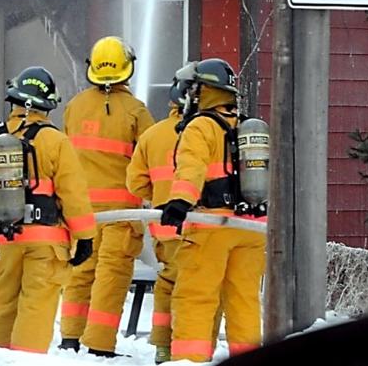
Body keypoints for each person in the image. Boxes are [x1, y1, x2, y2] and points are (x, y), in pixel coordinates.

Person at [0, 66, 96, 353]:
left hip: (3, 240)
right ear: (48, 104)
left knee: (2, 302)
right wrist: (85, 237)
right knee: (36, 306)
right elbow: (73, 195)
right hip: (45, 243)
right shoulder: (55, 141)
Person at [162, 57, 267, 362]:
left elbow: (191, 166)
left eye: (192, 90)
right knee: (244, 301)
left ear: (202, 91)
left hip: (211, 225)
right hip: (251, 228)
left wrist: (180, 202)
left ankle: (190, 361)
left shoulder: (201, 126)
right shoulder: (245, 126)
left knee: (195, 297)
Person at [61, 35, 154, 354]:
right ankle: (99, 345)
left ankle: (70, 337)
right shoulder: (136, 111)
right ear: (128, 69)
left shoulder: (74, 107)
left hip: (82, 213)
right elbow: (151, 158)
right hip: (121, 213)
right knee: (110, 278)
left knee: (80, 272)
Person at [126, 64, 195, 364]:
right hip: (203, 228)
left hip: (165, 227)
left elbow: (135, 183)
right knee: (198, 289)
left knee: (168, 283)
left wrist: (160, 194)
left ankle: (163, 347)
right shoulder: (213, 132)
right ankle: (189, 348)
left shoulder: (153, 135)